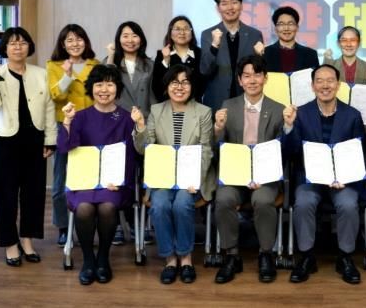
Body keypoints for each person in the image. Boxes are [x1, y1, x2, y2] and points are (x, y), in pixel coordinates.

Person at [0, 27, 57, 266]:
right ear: (5, 48)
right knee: (7, 195)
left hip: (35, 140)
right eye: (12, 43)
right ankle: (10, 244)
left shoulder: (41, 74)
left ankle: (27, 241)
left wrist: (50, 139)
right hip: (7, 142)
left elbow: (49, 108)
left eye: (22, 43)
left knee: (34, 194)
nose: (18, 47)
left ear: (29, 47)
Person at [282, 64, 366, 284]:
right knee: (303, 202)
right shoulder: (301, 114)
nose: (325, 85)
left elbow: (360, 153)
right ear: (312, 86)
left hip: (344, 180)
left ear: (338, 85)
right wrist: (289, 127)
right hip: (311, 179)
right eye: (319, 81)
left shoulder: (352, 115)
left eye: (330, 80)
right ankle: (307, 257)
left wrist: (345, 177)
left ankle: (345, 257)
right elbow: (290, 152)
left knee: (348, 204)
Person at [57, 65, 139, 285]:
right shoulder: (79, 116)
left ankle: (103, 257)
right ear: (91, 88)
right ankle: (88, 260)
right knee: (84, 208)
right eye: (99, 84)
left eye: (110, 84)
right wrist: (67, 122)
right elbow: (65, 148)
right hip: (84, 181)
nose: (104, 90)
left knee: (107, 206)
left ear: (117, 88)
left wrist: (121, 181)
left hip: (114, 183)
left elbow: (131, 156)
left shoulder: (126, 118)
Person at [133, 64, 214, 284]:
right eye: (174, 82)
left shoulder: (203, 112)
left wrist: (195, 179)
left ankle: (185, 258)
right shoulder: (156, 110)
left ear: (192, 86)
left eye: (185, 82)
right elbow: (144, 148)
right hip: (163, 177)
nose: (180, 87)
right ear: (167, 86)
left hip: (191, 178)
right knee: (159, 205)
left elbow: (206, 150)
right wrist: (140, 126)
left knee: (181, 204)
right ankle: (169, 258)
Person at [212, 55, 285, 284]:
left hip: (265, 175)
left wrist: (290, 126)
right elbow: (217, 148)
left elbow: (283, 149)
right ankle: (232, 255)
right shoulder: (228, 106)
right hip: (235, 175)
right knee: (223, 198)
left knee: (263, 200)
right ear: (240, 80)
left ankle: (266, 254)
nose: (252, 80)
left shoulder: (278, 109)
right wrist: (218, 129)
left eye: (257, 75)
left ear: (265, 78)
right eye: (246, 76)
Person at [47, 24, 99, 247]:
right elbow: (56, 96)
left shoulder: (95, 64)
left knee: (90, 178)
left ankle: (87, 224)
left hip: (91, 126)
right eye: (70, 40)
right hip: (64, 125)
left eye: (79, 39)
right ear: (63, 44)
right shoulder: (54, 66)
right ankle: (62, 226)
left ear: (85, 41)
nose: (75, 44)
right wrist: (67, 76)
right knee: (60, 181)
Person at [106, 21, 157, 245]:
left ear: (141, 39)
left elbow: (156, 95)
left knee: (145, 175)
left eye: (134, 35)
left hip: (145, 123)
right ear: (118, 39)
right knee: (119, 173)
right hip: (117, 124)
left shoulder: (150, 64)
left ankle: (142, 224)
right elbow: (104, 84)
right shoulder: (110, 63)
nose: (130, 40)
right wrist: (110, 56)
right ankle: (118, 223)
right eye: (125, 35)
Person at [200, 0, 264, 111]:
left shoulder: (254, 34)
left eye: (234, 2)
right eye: (224, 4)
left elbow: (261, 73)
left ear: (241, 6)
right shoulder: (208, 34)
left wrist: (259, 56)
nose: (230, 8)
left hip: (247, 101)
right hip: (217, 102)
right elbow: (205, 70)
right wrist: (214, 46)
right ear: (218, 8)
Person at [152, 15, 204, 103]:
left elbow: (203, 84)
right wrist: (165, 61)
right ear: (170, 33)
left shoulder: (200, 54)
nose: (182, 32)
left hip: (195, 105)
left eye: (186, 29)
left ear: (191, 32)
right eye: (177, 29)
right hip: (169, 105)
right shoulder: (161, 54)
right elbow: (157, 87)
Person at [260, 6, 320, 73]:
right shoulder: (265, 54)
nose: (286, 28)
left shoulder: (310, 54)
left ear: (297, 27)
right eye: (281, 24)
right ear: (275, 29)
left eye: (290, 24)